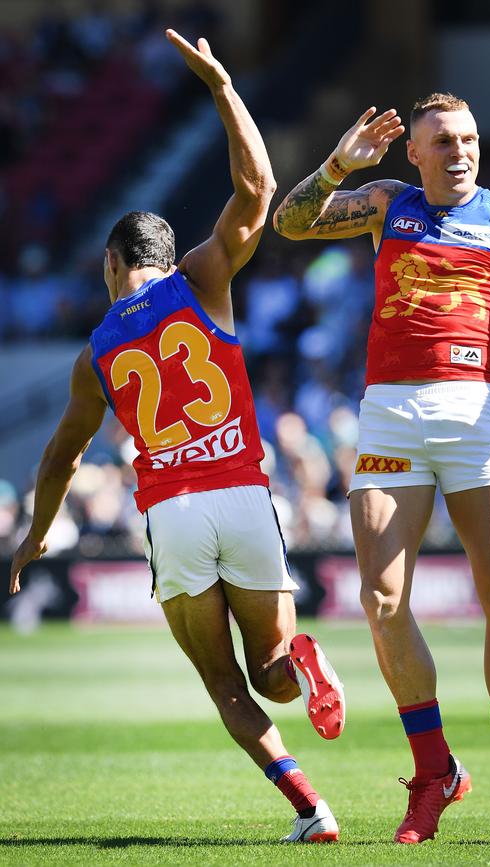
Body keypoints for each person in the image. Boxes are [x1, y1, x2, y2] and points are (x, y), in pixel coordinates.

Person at [9, 29, 344, 844]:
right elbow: (259, 189)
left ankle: (312, 810)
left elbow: (60, 456)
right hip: (243, 493)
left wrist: (37, 531)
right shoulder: (204, 278)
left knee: (225, 683)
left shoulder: (96, 349)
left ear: (114, 259)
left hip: (174, 511)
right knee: (272, 673)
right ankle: (303, 660)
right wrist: (225, 87)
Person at [273, 93, 490, 843]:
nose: (459, 150)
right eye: (442, 140)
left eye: (468, 138)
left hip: (472, 417)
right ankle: (435, 772)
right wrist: (337, 163)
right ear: (415, 155)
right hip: (390, 414)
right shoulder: (385, 204)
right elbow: (288, 223)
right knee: (381, 597)